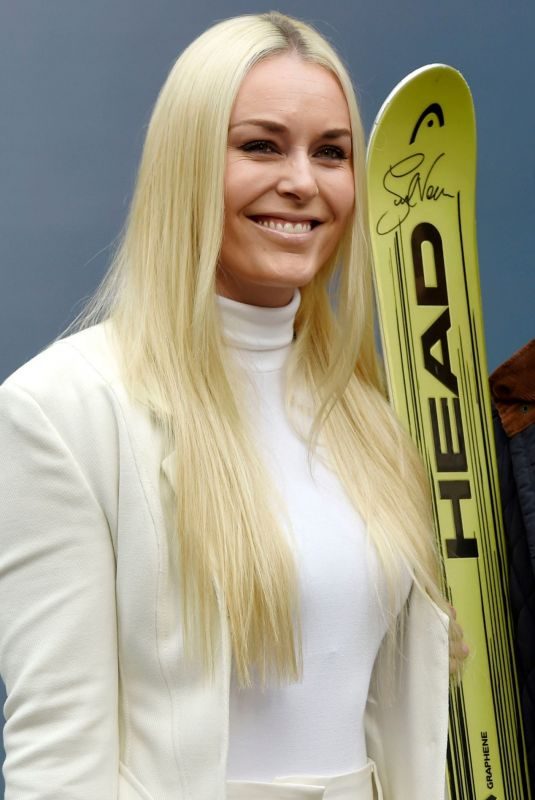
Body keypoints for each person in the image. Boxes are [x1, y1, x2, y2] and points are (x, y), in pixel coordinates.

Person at [0, 12, 465, 800]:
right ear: (186, 163)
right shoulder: (61, 412)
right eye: (260, 145)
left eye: (331, 152)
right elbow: (56, 764)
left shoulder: (367, 420)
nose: (302, 182)